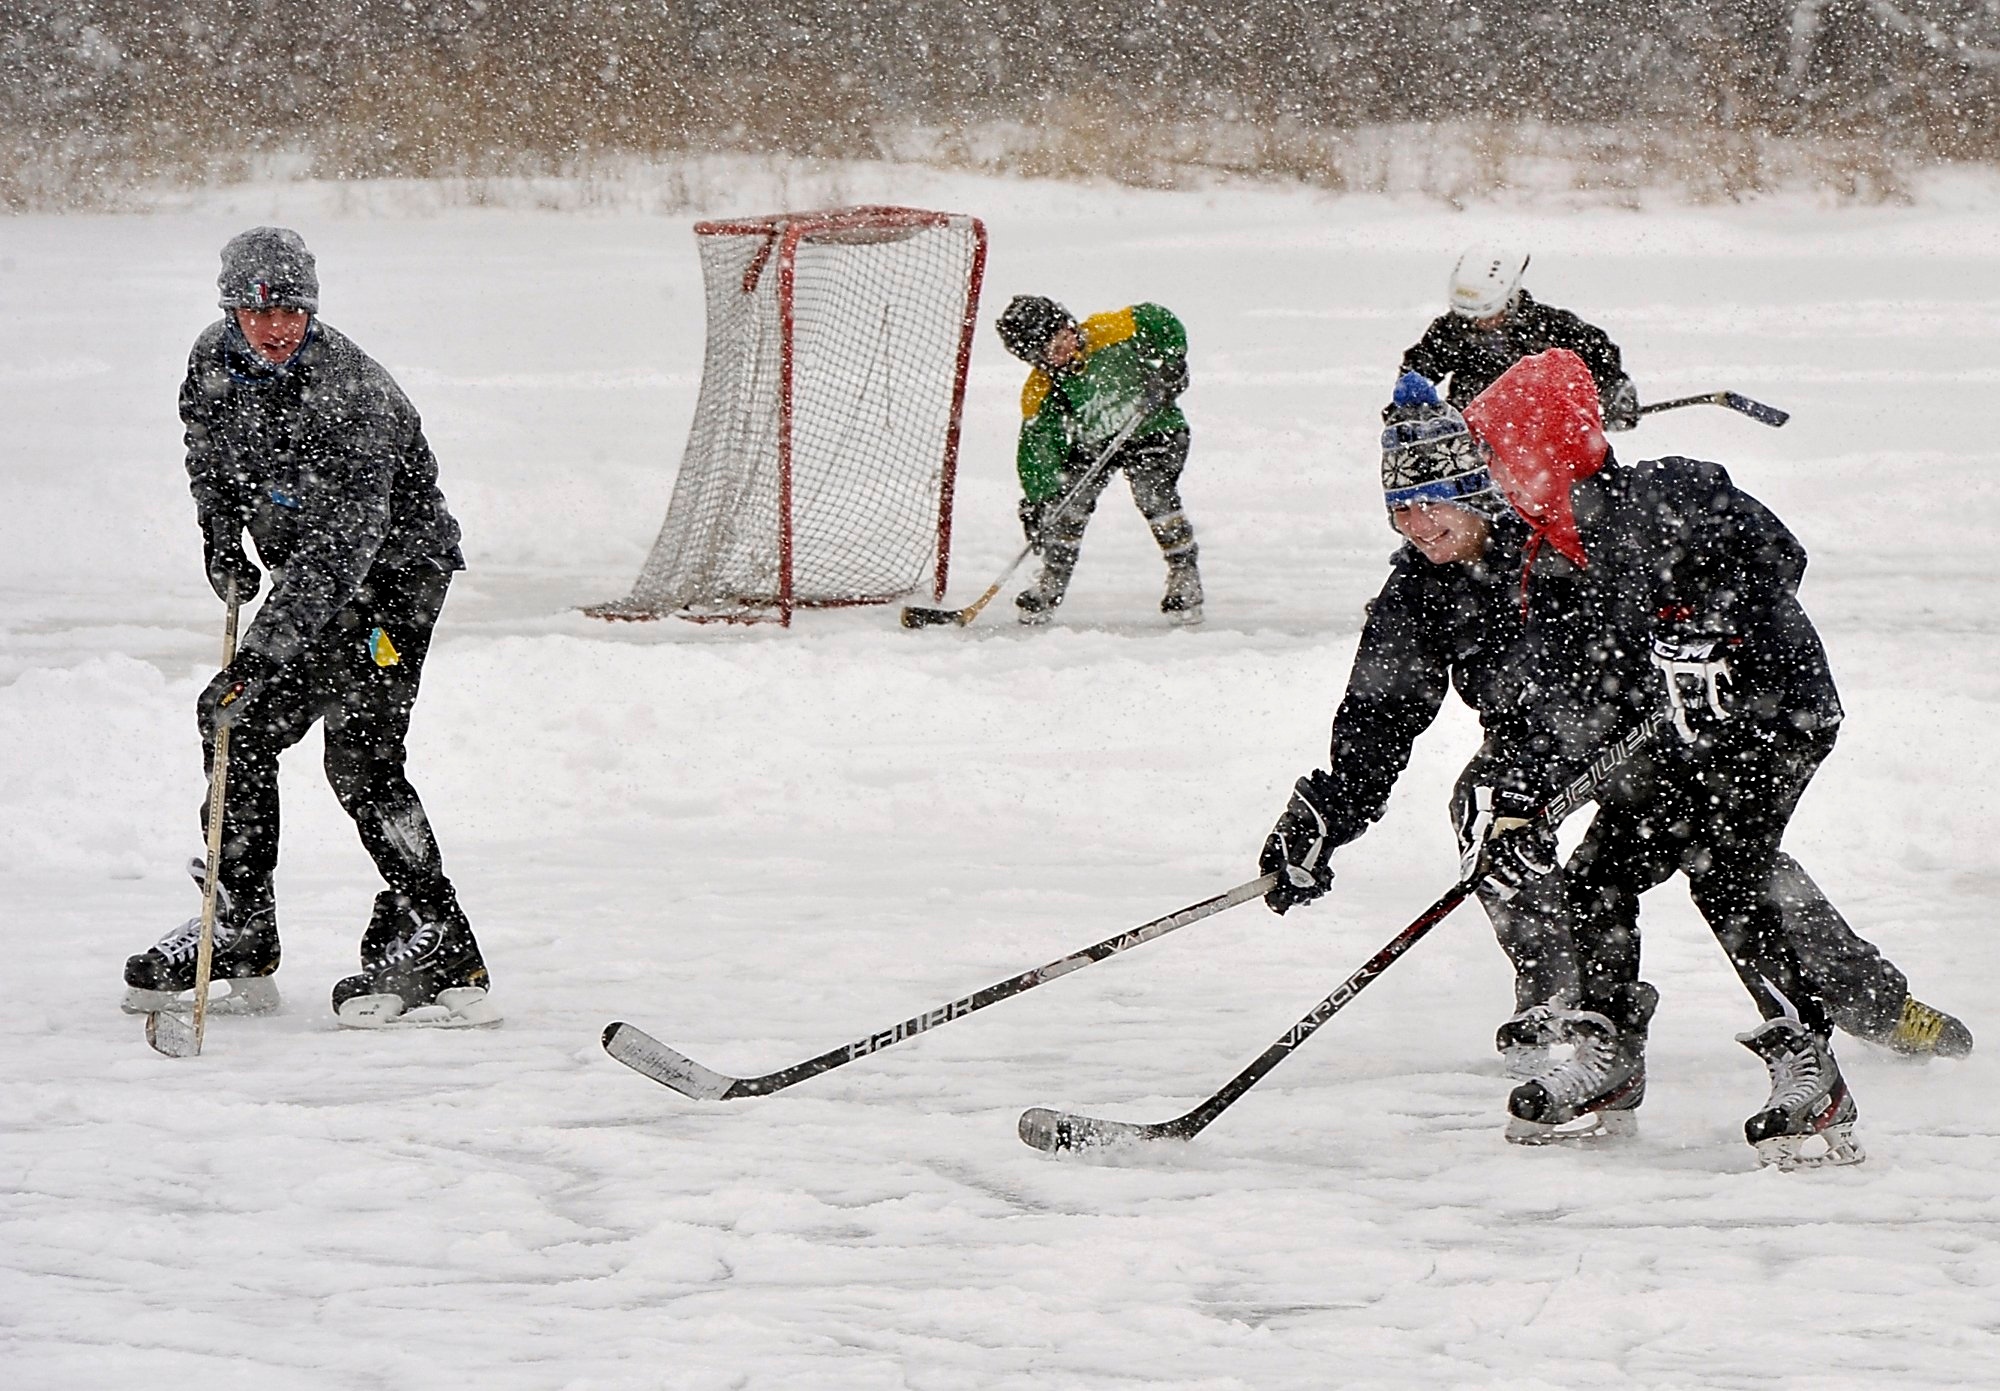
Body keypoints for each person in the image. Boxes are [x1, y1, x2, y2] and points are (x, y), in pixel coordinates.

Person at [1256, 372, 1968, 1107]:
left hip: (1647, 716)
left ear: (1480, 489)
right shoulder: (1419, 587)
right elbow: (1381, 712)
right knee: (1494, 812)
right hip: (1550, 736)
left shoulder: (1564, 531)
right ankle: (1559, 993)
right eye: (1400, 511)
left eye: (1434, 506)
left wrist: (1697, 638)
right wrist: (1328, 814)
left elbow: (1667, 618)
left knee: (1718, 846)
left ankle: (1866, 998)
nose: (1418, 527)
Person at [1461, 348, 1879, 1168]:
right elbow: (1554, 691)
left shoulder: (1672, 492)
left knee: (1727, 867)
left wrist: (1711, 628)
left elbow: (1779, 555)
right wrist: (1516, 795)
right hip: (1676, 743)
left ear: (1561, 447)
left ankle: (1811, 1065)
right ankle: (1610, 1055)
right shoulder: (1546, 556)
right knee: (1594, 878)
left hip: (1774, 715)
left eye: (1510, 456)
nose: (1501, 477)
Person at [121, 226, 498, 1029]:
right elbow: (210, 454)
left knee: (359, 754)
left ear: (311, 307)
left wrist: (260, 652)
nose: (275, 325)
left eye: (290, 307)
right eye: (256, 310)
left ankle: (440, 939)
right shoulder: (213, 361)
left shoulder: (350, 390)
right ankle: (242, 929)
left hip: (392, 579)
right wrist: (220, 533)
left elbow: (341, 553)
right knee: (235, 725)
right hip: (317, 579)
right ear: (229, 309)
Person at [993, 295, 1201, 626]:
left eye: (1065, 334)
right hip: (1098, 443)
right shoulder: (1042, 388)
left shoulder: (1110, 331)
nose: (1067, 347)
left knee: (1152, 491)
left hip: (1154, 428)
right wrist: (1040, 499)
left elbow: (1159, 320)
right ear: (1037, 358)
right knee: (1068, 503)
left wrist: (1171, 363)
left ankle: (1184, 572)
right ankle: (1052, 581)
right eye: (1054, 349)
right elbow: (1039, 448)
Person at [1401, 247, 1641, 430]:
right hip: (1473, 437)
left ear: (1510, 298)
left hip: (1542, 438)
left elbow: (1598, 352)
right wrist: (1408, 412)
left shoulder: (1549, 327)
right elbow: (1419, 370)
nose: (1475, 322)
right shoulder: (1450, 330)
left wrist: (1614, 392)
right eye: (1465, 314)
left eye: (1486, 312)